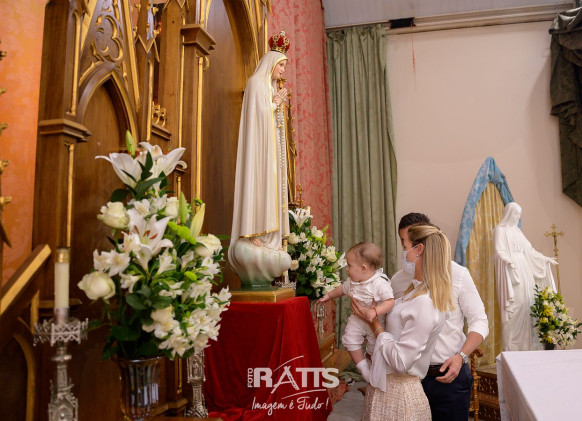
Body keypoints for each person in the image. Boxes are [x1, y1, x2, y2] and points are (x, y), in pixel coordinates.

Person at [391, 213, 489, 421]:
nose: (405, 251)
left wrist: (460, 356)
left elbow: (480, 321)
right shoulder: (398, 281)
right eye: (404, 243)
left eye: (409, 244)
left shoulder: (458, 274)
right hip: (408, 380)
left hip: (448, 376)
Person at [351, 225, 454, 421]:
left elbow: (401, 362)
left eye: (405, 246)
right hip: (384, 388)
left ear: (419, 250)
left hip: (399, 397)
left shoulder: (424, 303)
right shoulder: (412, 291)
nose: (404, 253)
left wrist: (375, 326)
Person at [228, 31, 293, 285]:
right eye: (281, 65)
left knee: (271, 190)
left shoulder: (269, 86)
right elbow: (258, 118)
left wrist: (276, 104)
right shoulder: (257, 83)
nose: (283, 70)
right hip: (259, 153)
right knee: (259, 187)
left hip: (270, 152)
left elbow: (274, 122)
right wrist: (275, 104)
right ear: (271, 63)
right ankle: (255, 232)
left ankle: (269, 239)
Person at [318, 242, 394, 381]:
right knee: (350, 340)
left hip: (375, 322)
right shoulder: (351, 281)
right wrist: (328, 295)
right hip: (357, 319)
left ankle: (375, 373)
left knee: (375, 349)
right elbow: (341, 290)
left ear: (363, 268)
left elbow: (390, 301)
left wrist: (375, 311)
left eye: (349, 265)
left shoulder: (379, 283)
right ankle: (363, 368)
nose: (347, 269)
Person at [493, 202, 557, 351]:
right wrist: (506, 260)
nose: (517, 217)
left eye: (519, 215)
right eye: (515, 214)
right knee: (516, 304)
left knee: (529, 303)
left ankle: (527, 345)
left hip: (525, 270)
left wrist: (545, 259)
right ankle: (514, 345)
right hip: (512, 270)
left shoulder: (518, 232)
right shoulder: (500, 230)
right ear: (509, 214)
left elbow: (530, 251)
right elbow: (498, 251)